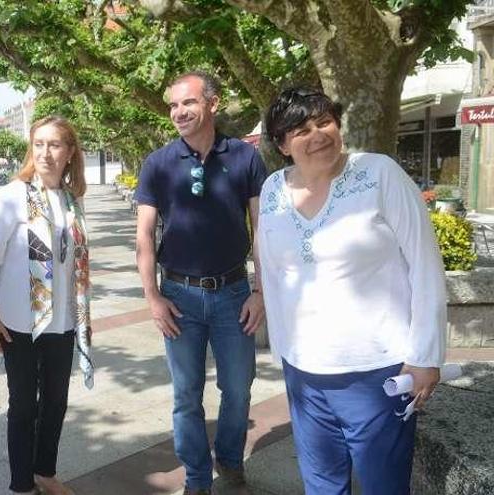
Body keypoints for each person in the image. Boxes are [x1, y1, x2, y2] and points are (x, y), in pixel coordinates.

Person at [258, 87, 446, 494]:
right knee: (321, 484)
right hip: (305, 372)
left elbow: (426, 265)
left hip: (377, 371)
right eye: (301, 130)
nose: (317, 135)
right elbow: (273, 271)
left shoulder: (379, 174)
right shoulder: (273, 189)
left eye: (324, 122)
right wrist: (283, 350)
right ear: (282, 144)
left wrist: (426, 355)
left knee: (384, 485)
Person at [134, 70, 268, 495]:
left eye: (187, 103)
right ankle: (195, 477)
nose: (178, 112)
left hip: (234, 294)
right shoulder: (157, 164)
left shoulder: (245, 157)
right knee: (186, 393)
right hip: (179, 297)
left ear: (212, 103)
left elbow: (261, 227)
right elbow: (143, 236)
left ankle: (230, 459)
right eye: (173, 105)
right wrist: (153, 297)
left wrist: (261, 292)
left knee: (238, 387)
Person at [0, 116, 93, 495]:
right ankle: (21, 484)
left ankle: (44, 472)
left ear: (70, 152)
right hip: (18, 322)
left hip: (61, 323)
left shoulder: (73, 200)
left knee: (56, 402)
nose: (45, 153)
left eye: (55, 144)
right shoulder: (13, 195)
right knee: (23, 406)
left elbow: (73, 262)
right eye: (38, 144)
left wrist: (82, 315)